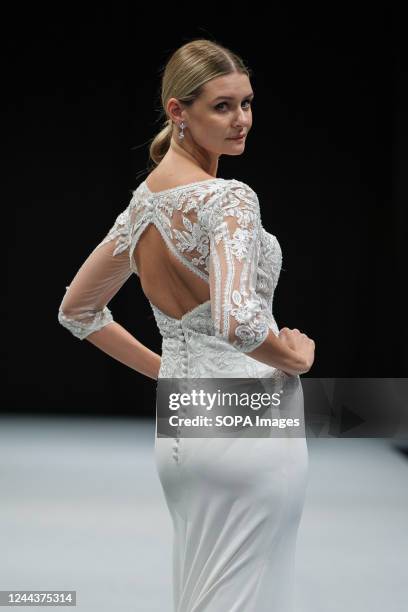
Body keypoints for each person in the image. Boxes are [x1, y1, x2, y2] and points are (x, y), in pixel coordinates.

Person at [58, 38, 315, 612]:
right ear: (178, 111)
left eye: (247, 103)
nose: (241, 119)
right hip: (251, 422)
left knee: (203, 593)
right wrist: (293, 357)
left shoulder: (143, 204)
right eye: (222, 106)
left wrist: (170, 376)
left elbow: (76, 312)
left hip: (184, 425)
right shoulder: (228, 200)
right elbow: (236, 319)